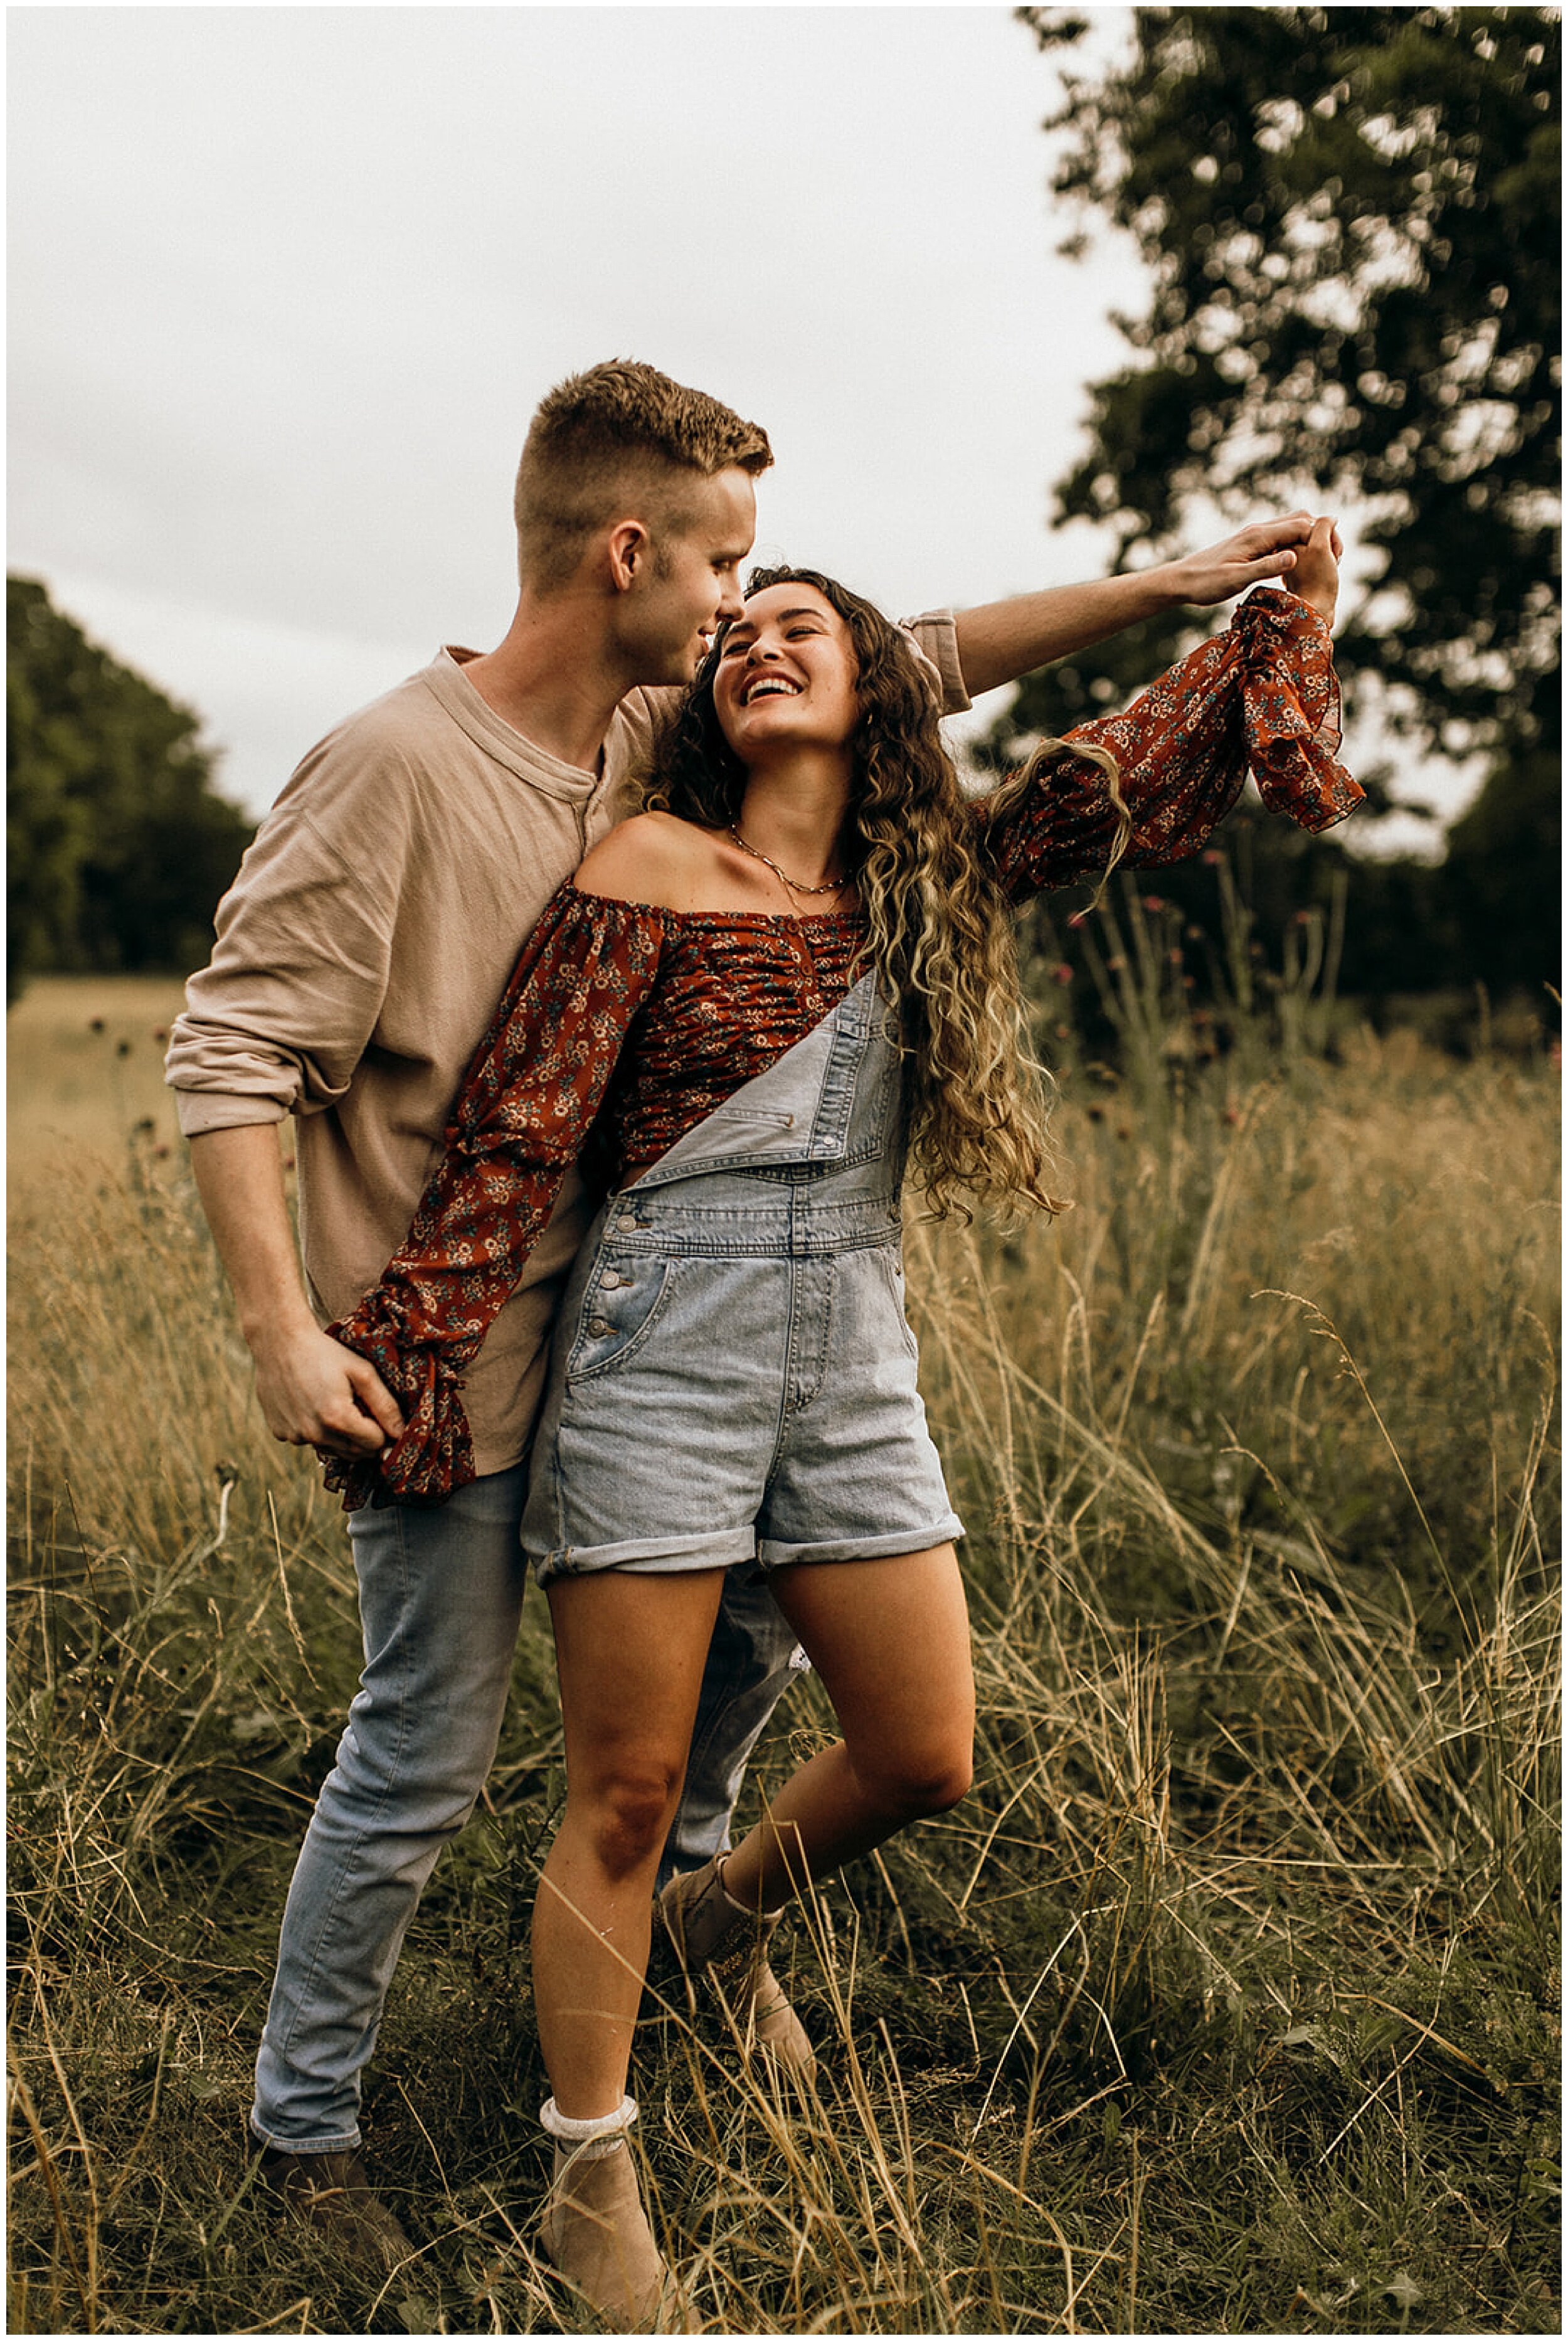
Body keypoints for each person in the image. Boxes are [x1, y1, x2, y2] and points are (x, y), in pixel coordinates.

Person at [165, 354, 1328, 2274]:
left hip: (760, 1341)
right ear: (634, 551)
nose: (740, 611)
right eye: (726, 572)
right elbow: (237, 1052)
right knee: (434, 1749)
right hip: (464, 1347)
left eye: (774, 600)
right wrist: (291, 1335)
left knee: (754, 1717)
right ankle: (316, 2141)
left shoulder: (654, 737)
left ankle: (695, 1935)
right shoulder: (404, 765)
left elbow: (921, 665)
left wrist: (1165, 589)